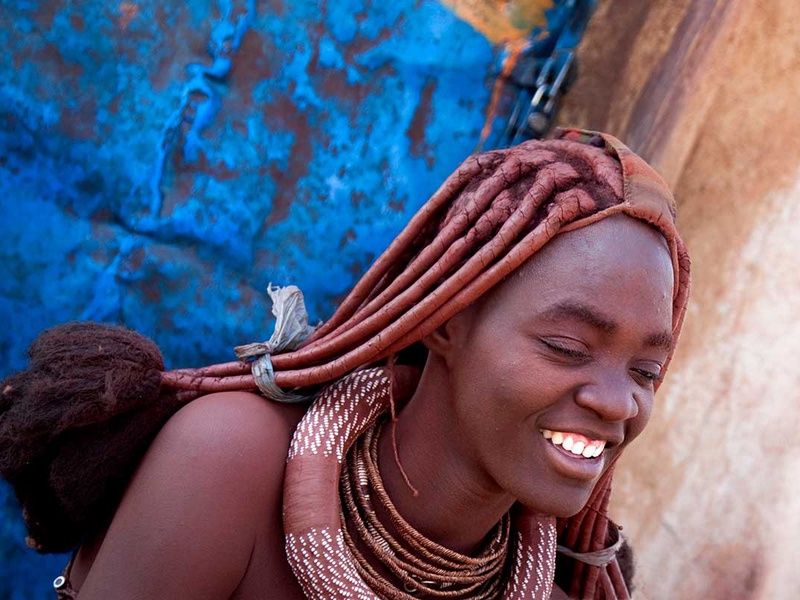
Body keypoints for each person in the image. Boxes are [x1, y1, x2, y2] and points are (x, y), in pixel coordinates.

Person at [0, 128, 690, 599]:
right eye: (567, 348)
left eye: (645, 373)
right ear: (450, 318)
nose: (617, 402)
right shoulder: (228, 465)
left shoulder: (556, 583)